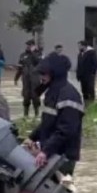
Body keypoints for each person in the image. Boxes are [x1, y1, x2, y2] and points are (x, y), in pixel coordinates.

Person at [25, 52, 84, 180]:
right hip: (51, 153)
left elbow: (65, 130)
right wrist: (32, 138)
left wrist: (45, 151)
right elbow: (48, 123)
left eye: (44, 74)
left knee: (58, 189)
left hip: (63, 157)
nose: (41, 77)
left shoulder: (69, 95)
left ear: (54, 74)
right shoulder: (52, 92)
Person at [14, 39, 42, 119]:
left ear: (34, 46)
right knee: (26, 96)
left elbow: (38, 62)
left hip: (35, 80)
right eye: (27, 45)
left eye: (30, 45)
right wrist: (16, 78)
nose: (28, 47)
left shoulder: (38, 54)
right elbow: (20, 68)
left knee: (35, 96)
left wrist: (33, 52)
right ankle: (25, 114)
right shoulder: (23, 55)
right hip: (26, 80)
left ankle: (36, 114)